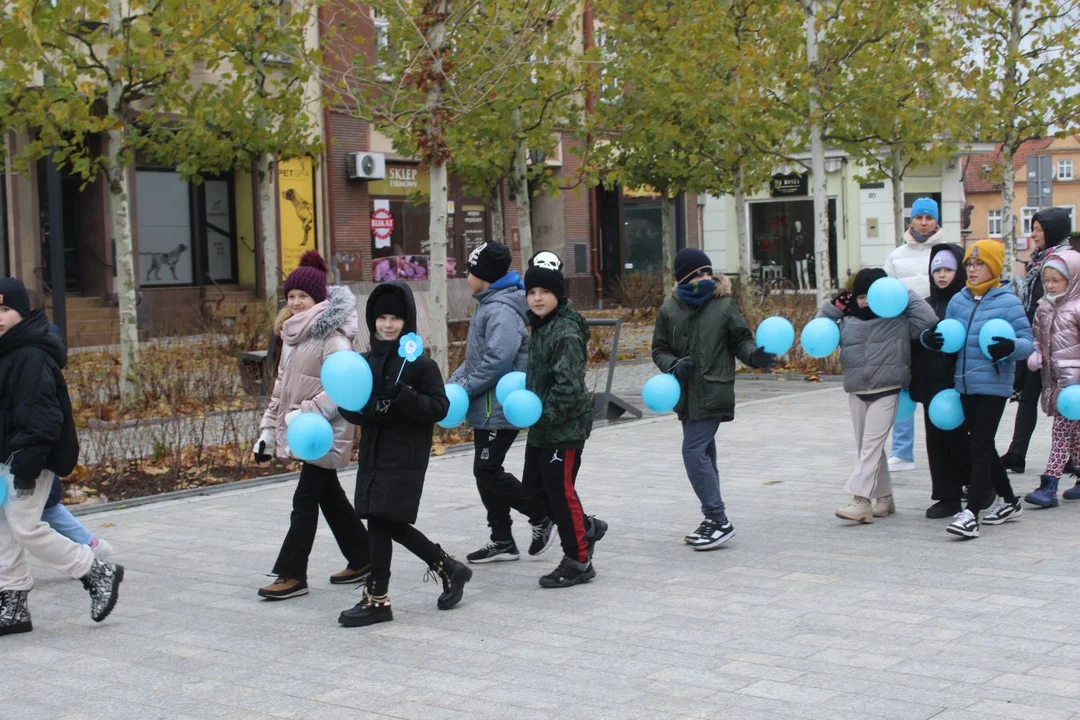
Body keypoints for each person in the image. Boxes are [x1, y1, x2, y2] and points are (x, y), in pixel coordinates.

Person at [337, 282, 471, 627]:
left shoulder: (420, 364)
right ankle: (448, 567)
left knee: (381, 521)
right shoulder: (364, 361)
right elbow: (356, 408)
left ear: (407, 320)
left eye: (395, 317)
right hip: (373, 453)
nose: (388, 324)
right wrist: (358, 408)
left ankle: (378, 599)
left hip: (405, 454)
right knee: (387, 520)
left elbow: (439, 407)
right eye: (381, 317)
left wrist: (404, 397)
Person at [0, 278, 124, 635]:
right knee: (4, 528)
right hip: (7, 456)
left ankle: (94, 570)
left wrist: (27, 461)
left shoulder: (30, 354)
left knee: (25, 526)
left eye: (5, 309)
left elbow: (42, 417)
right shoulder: (7, 350)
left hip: (28, 460)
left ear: (22, 313)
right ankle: (13, 602)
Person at [255, 250, 371, 600]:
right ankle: (364, 556)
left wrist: (304, 414)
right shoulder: (293, 336)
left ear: (318, 298)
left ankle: (292, 574)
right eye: (290, 296)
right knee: (329, 497)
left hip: (325, 432)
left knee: (305, 499)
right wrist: (267, 430)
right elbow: (279, 388)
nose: (295, 302)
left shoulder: (331, 338)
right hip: (305, 430)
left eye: (302, 296)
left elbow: (341, 392)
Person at [652, 248, 777, 548]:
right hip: (685, 395)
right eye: (697, 275)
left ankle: (719, 520)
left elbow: (742, 341)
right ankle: (712, 518)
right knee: (705, 454)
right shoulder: (669, 309)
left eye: (708, 273)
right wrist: (673, 365)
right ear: (683, 278)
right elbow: (659, 349)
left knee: (693, 452)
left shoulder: (723, 306)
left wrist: (755, 356)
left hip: (713, 391)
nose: (705, 279)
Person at [449, 242, 555, 564]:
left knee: (487, 468)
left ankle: (540, 516)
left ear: (484, 276)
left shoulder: (500, 310)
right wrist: (454, 382)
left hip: (501, 403)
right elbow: (478, 358)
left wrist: (465, 387)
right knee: (484, 470)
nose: (467, 276)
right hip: (487, 404)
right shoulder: (490, 304)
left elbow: (497, 360)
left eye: (470, 271)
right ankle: (502, 539)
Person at [924, 240, 1034, 539]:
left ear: (994, 267)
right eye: (969, 265)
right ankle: (1010, 501)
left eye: (979, 264)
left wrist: (1011, 347)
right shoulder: (959, 300)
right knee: (980, 443)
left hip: (995, 385)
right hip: (964, 383)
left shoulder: (1007, 301)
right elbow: (946, 334)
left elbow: (1027, 343)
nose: (972, 270)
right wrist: (928, 339)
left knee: (980, 444)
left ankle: (971, 513)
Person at [820, 268, 938, 523]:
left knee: (871, 447)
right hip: (856, 390)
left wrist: (902, 293)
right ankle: (884, 497)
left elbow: (928, 320)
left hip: (887, 389)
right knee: (867, 448)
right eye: (860, 296)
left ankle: (861, 501)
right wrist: (834, 307)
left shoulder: (897, 318)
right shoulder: (847, 319)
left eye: (871, 295)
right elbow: (820, 328)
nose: (865, 301)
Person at [521, 251, 607, 586]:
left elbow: (568, 387)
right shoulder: (542, 328)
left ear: (558, 294)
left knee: (560, 491)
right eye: (531, 292)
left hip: (563, 427)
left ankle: (578, 560)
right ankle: (586, 528)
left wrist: (542, 416)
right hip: (542, 425)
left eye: (544, 291)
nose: (537, 298)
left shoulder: (566, 333)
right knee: (533, 490)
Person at [1002, 207, 1074, 473]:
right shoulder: (1036, 261)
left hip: (1061, 340)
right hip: (1036, 339)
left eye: (1038, 229)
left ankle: (1073, 455)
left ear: (1052, 231)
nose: (1033, 234)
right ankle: (1016, 454)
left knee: (1065, 398)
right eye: (1033, 228)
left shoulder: (1066, 261)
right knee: (1028, 396)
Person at [883, 198, 949, 473]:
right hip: (906, 331)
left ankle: (946, 445)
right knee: (904, 388)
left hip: (940, 330)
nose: (924, 222)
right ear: (911, 220)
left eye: (929, 217)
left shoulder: (946, 253)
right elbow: (886, 293)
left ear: (936, 221)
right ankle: (902, 451)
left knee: (939, 387)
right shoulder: (896, 256)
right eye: (919, 217)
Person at [908, 245, 970, 519]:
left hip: (959, 384)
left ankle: (978, 487)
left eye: (947, 269)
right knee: (936, 443)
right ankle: (947, 496)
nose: (942, 275)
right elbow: (910, 340)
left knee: (963, 442)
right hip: (932, 386)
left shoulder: (966, 302)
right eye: (937, 270)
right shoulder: (925, 305)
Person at [1022, 251, 1080, 507]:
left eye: (1057, 280)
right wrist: (1037, 354)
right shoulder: (1044, 307)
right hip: (1054, 380)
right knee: (1075, 436)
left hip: (1074, 386)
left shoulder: (1077, 307)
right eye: (1048, 280)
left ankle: (1049, 485)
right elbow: (1037, 336)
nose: (1051, 285)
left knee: (1060, 433)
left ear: (1073, 280)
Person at [42, 475, 115, 558]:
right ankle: (91, 543)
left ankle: (90, 544)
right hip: (42, 482)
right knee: (50, 512)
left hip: (38, 483)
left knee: (50, 512)